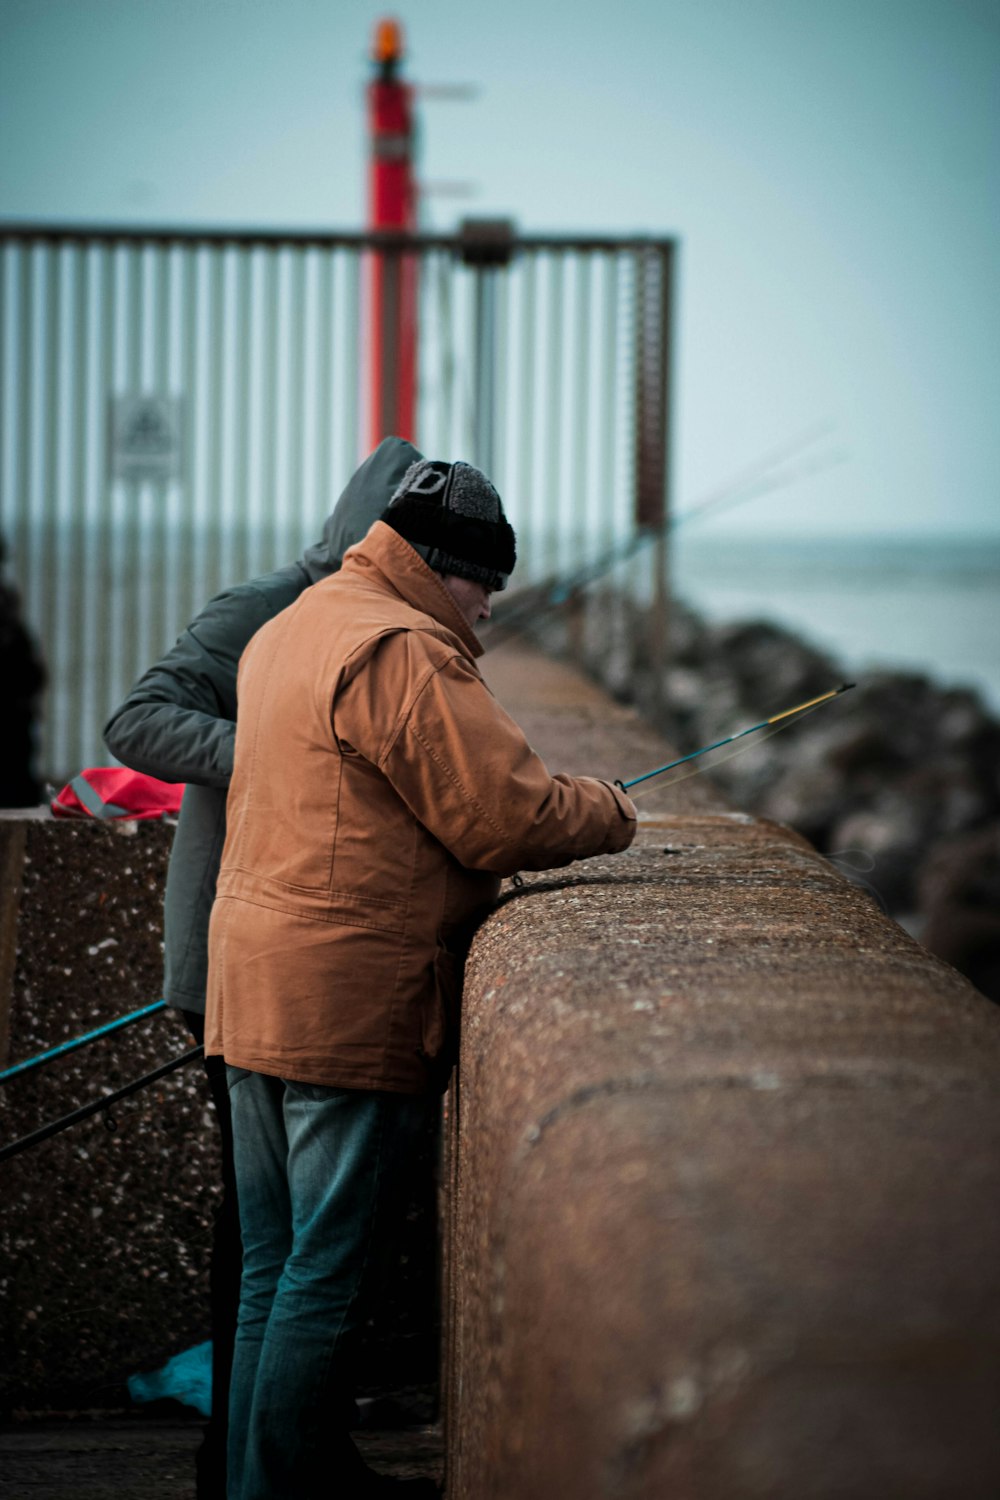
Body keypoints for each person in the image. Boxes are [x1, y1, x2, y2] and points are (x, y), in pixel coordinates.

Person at [205, 458, 637, 1499]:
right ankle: (274, 1488)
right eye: (485, 583)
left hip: (249, 979)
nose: (490, 604)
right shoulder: (400, 649)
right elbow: (505, 814)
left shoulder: (297, 625)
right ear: (441, 568)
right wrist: (610, 808)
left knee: (271, 1266)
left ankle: (254, 1479)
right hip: (340, 999)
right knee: (320, 1269)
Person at [103, 437, 422, 1499]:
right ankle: (252, 1464)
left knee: (286, 1246)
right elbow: (135, 721)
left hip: (283, 939)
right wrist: (279, 747)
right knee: (268, 1243)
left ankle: (278, 1455)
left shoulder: (371, 625)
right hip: (232, 950)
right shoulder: (265, 607)